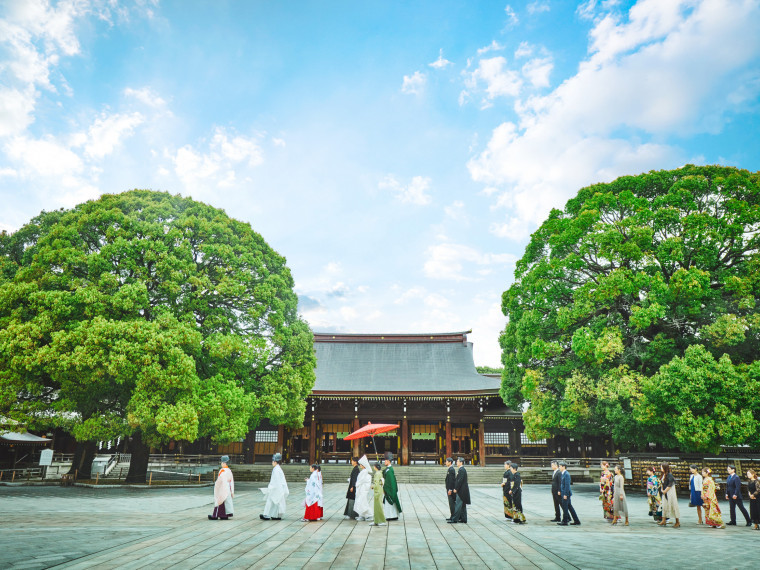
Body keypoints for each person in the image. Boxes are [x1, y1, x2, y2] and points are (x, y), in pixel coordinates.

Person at [260, 452, 289, 520]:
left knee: (270, 501)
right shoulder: (278, 469)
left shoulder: (276, 469)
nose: (272, 462)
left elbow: (275, 480)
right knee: (276, 502)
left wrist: (271, 487)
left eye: (273, 461)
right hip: (278, 488)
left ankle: (267, 514)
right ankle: (275, 515)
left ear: (275, 462)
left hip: (275, 488)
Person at [208, 455, 234, 520]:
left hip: (223, 486)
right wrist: (231, 491)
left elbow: (220, 479)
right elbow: (231, 481)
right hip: (227, 487)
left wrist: (217, 485)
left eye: (221, 462)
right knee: (225, 501)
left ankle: (215, 515)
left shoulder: (222, 471)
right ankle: (224, 515)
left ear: (223, 463)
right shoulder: (229, 470)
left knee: (220, 501)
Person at [448, 457, 470, 524]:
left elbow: (459, 481)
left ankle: (454, 519)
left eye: (457, 461)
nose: (456, 462)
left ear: (461, 462)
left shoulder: (462, 470)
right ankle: (464, 519)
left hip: (461, 491)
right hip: (462, 490)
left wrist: (456, 489)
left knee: (458, 505)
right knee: (462, 505)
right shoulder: (461, 469)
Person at [557, 461, 580, 526]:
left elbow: (567, 485)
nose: (559, 467)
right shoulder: (563, 473)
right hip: (564, 492)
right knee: (570, 507)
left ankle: (565, 521)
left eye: (560, 466)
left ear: (563, 467)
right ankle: (576, 520)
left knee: (565, 507)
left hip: (565, 493)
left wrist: (565, 494)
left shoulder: (566, 474)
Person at [659, 462, 680, 528]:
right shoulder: (663, 474)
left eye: (661, 467)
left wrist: (665, 491)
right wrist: (662, 490)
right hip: (664, 492)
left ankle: (677, 521)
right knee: (664, 505)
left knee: (673, 505)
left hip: (670, 492)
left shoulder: (669, 475)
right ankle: (663, 520)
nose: (660, 468)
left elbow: (670, 484)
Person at [382, 452, 402, 520]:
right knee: (389, 504)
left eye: (385, 460)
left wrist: (385, 488)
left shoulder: (390, 470)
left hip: (389, 489)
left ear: (388, 461)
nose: (384, 461)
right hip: (389, 489)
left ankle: (391, 516)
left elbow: (389, 481)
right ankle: (392, 515)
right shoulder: (388, 469)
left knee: (390, 503)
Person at [354, 455, 373, 521]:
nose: (360, 465)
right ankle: (361, 515)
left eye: (361, 464)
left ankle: (370, 515)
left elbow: (361, 480)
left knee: (363, 502)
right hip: (361, 489)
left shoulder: (364, 472)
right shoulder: (363, 471)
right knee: (360, 502)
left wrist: (357, 483)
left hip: (363, 489)